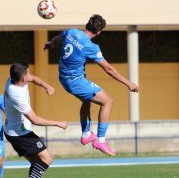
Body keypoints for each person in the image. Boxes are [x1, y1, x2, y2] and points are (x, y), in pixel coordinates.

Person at [44, 14, 139, 156]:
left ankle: (86, 134)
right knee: (107, 102)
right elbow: (108, 69)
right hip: (75, 81)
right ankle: (100, 140)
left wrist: (51, 43)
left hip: (64, 78)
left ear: (87, 24)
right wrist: (128, 83)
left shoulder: (72, 32)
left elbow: (59, 38)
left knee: (87, 100)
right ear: (99, 32)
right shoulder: (91, 46)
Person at [4, 62, 67, 178]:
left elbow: (33, 78)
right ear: (22, 78)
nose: (29, 74)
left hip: (14, 131)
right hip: (20, 133)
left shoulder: (13, 79)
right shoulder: (15, 94)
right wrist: (58, 123)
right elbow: (35, 119)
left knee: (36, 162)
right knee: (47, 158)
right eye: (27, 73)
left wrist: (46, 86)